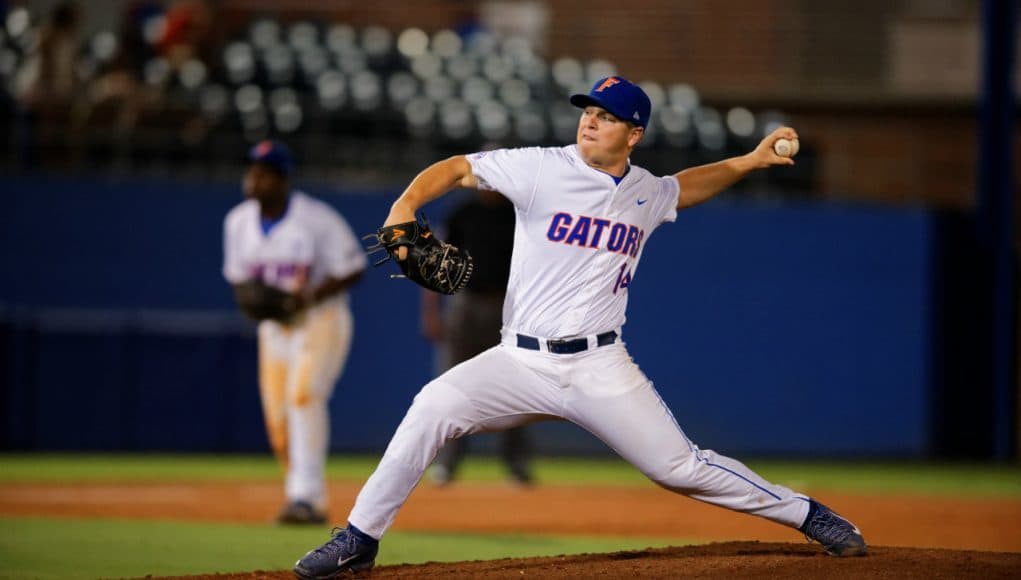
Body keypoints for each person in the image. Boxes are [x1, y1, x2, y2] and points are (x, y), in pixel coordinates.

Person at [293, 77, 866, 577]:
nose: (590, 121)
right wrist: (405, 204)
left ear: (633, 134)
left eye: (606, 116)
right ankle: (359, 540)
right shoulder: (542, 167)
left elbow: (683, 187)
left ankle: (808, 515)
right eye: (588, 112)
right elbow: (460, 168)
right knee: (431, 407)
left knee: (679, 468)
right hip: (519, 361)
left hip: (599, 365)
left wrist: (747, 161)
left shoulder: (645, 190)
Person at [223, 140, 366, 525]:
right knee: (278, 424)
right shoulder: (238, 222)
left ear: (283, 179)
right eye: (252, 170)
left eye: (264, 172)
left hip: (320, 319)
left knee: (303, 398)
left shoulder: (316, 218)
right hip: (275, 329)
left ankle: (308, 499)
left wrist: (306, 297)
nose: (255, 178)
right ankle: (299, 495)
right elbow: (240, 282)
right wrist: (260, 303)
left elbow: (354, 266)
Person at [421, 189, 533, 487]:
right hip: (465, 304)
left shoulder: (519, 213)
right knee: (452, 386)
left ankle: (517, 465)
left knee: (515, 388)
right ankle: (446, 465)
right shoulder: (462, 211)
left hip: (507, 306)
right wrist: (431, 311)